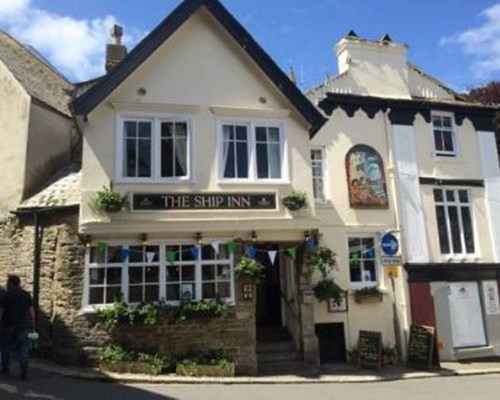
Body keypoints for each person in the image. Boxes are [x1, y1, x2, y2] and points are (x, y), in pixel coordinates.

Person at [0, 275, 35, 380]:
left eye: (7, 283)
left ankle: (6, 368)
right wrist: (33, 325)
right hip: (22, 325)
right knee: (23, 347)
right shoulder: (26, 295)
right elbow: (31, 312)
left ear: (10, 284)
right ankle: (24, 370)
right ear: (19, 283)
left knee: (5, 346)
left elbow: (1, 312)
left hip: (7, 325)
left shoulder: (5, 296)